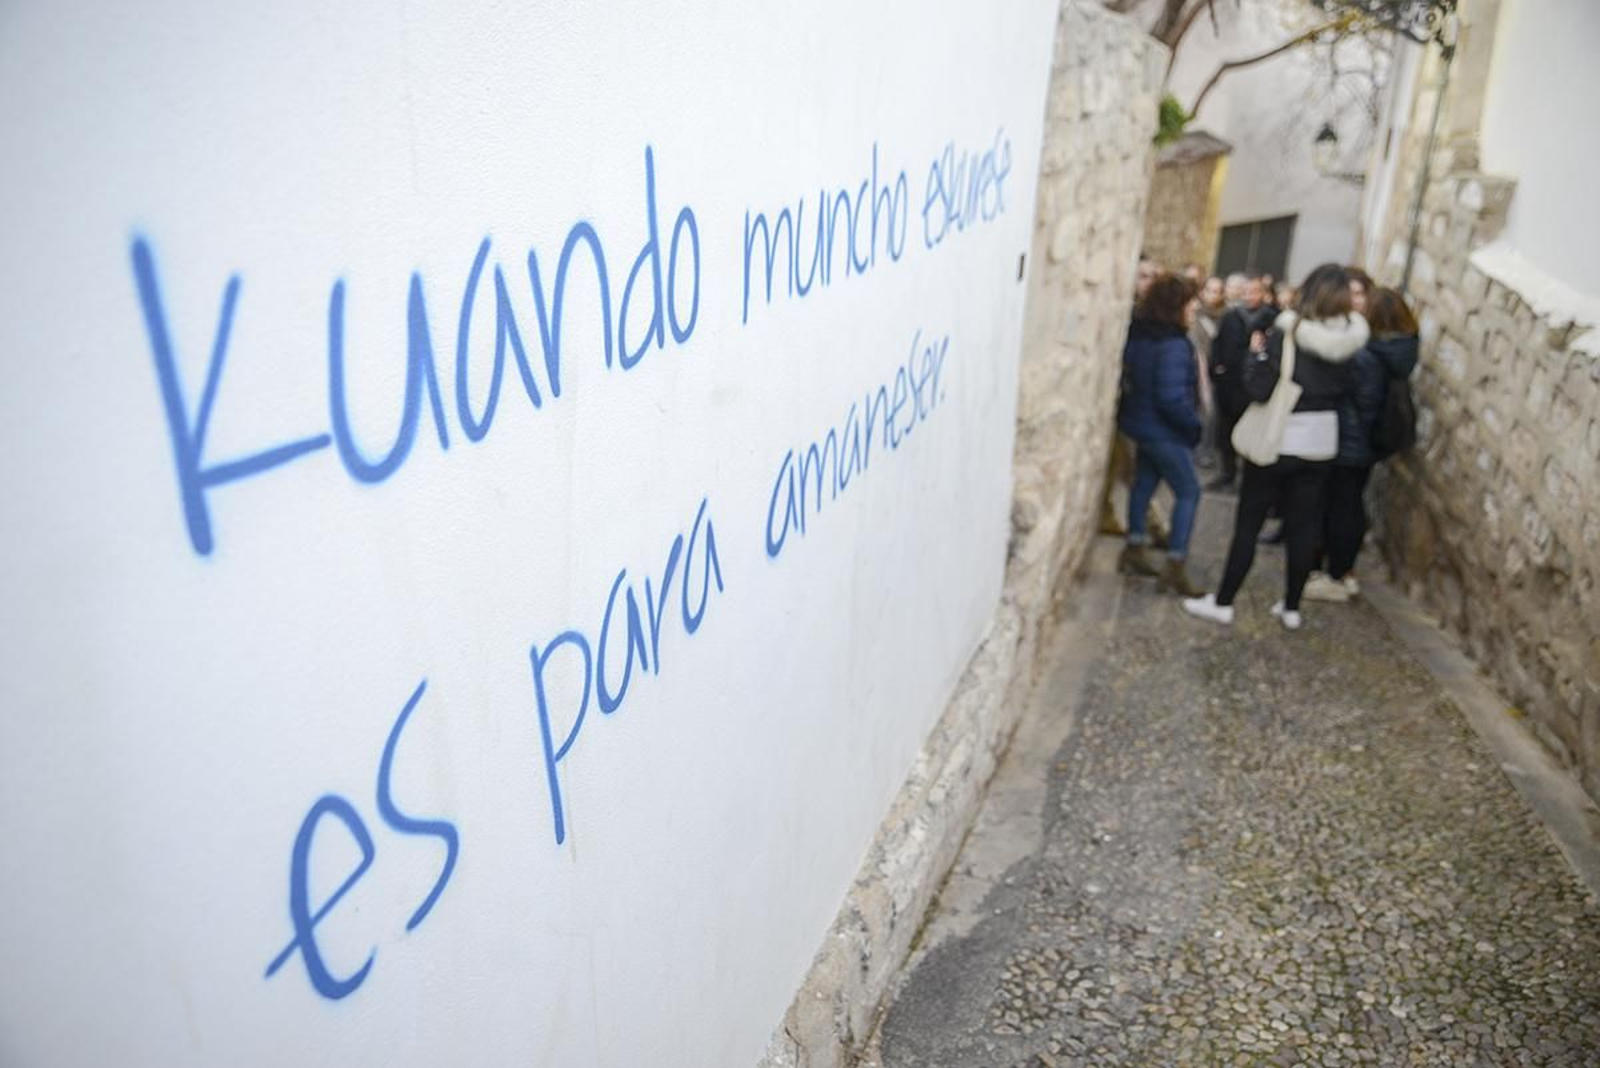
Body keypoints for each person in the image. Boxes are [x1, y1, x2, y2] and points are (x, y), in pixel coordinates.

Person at [1183, 264, 1368, 630]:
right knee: (1304, 525)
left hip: (1279, 436)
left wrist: (1256, 355)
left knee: (1249, 522)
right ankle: (1292, 607)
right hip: (1321, 443)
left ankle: (1224, 601)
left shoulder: (1289, 332)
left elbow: (1259, 388)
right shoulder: (1353, 340)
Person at [1303, 286, 1419, 602]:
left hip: (1350, 443)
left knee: (1341, 509)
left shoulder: (1368, 356)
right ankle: (1341, 571)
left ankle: (1337, 575)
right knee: (1349, 506)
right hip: (1366, 445)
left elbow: (1363, 402)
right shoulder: (1397, 351)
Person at [1117, 274, 1205, 596]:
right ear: (1175, 306)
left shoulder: (1141, 336)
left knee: (1144, 484)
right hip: (1164, 430)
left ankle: (1134, 549)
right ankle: (1175, 565)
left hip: (1142, 424)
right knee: (1189, 491)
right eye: (1191, 303)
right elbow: (1171, 398)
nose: (1195, 309)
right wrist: (1193, 427)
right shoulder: (1173, 345)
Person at [1207, 274, 1274, 491]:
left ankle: (1247, 480)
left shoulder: (1270, 319)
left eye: (1253, 292)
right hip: (1229, 385)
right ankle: (1227, 472)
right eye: (1245, 292)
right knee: (1225, 432)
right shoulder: (1231, 316)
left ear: (1262, 294)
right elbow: (1218, 344)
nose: (1248, 296)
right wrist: (1216, 368)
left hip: (1252, 388)